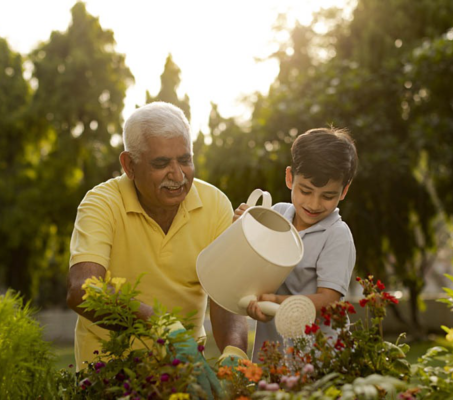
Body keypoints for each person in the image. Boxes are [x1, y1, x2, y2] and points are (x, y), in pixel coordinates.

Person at [66, 102, 249, 392]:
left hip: (183, 377)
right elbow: (83, 290)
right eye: (161, 164)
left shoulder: (215, 205)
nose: (177, 176)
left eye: (184, 160)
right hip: (108, 376)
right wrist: (162, 327)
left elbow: (226, 294)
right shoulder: (101, 204)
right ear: (129, 165)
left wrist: (235, 352)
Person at [233, 127, 358, 362]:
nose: (314, 203)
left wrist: (277, 302)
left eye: (327, 196)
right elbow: (248, 263)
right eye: (306, 190)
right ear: (290, 178)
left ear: (344, 191)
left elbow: (329, 301)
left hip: (319, 358)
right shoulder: (277, 214)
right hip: (272, 354)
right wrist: (241, 227)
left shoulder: (336, 235)